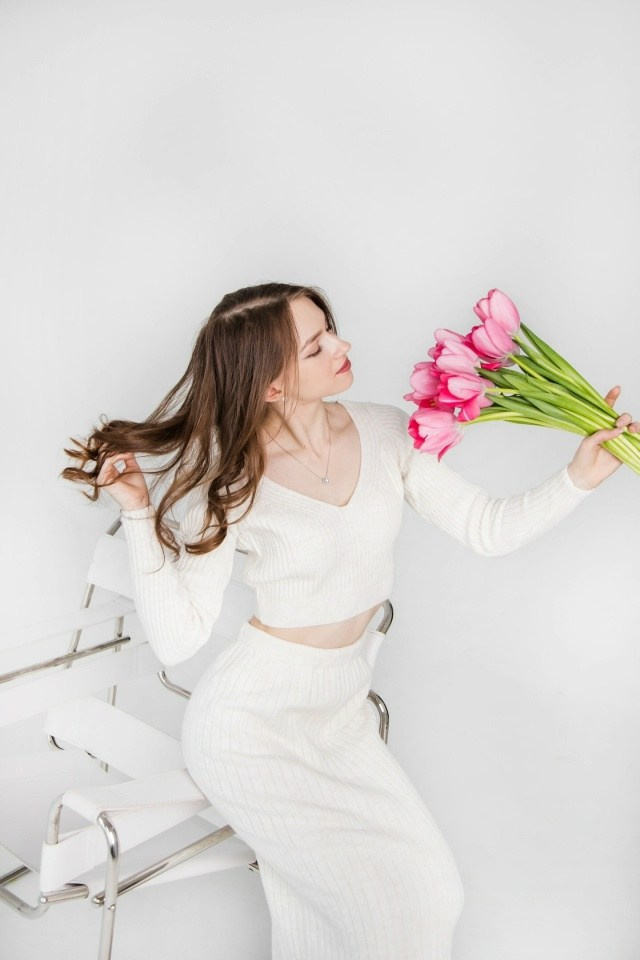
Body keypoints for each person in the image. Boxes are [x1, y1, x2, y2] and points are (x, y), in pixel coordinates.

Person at [62, 282, 638, 960]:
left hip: (340, 718)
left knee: (425, 898)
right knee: (386, 920)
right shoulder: (231, 481)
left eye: (330, 329)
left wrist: (578, 476)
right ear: (272, 385)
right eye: (317, 346)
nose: (343, 345)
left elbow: (487, 528)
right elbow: (177, 638)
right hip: (249, 733)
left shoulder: (386, 431)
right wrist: (137, 512)